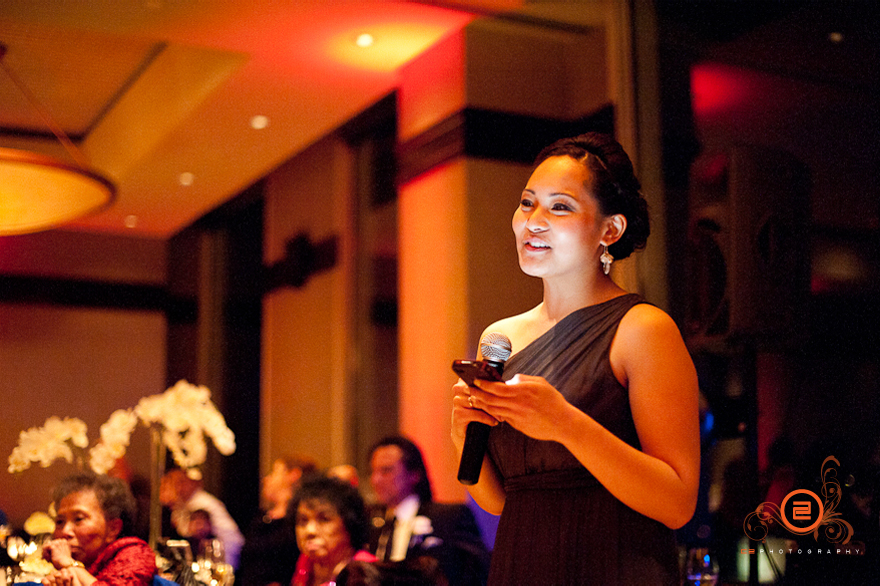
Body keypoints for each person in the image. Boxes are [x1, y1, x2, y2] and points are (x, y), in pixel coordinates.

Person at [450, 132, 701, 585]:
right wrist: (462, 435)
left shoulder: (643, 329)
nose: (533, 222)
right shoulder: (500, 337)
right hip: (521, 564)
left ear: (611, 230)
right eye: (527, 203)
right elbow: (504, 500)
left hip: (614, 565)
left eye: (560, 207)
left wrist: (566, 424)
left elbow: (678, 503)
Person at [367, 436, 489, 586]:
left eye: (386, 470)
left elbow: (478, 573)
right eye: (373, 471)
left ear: (414, 474)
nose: (375, 479)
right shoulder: (371, 523)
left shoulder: (449, 518)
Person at [41, 472, 156, 586]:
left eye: (79, 519)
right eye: (60, 522)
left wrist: (69, 564)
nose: (65, 531)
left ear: (113, 529)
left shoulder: (135, 554)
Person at [239, 454, 318, 586]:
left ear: (293, 475)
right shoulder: (261, 518)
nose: (266, 479)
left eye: (274, 472)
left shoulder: (298, 522)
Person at [290, 476, 376, 586]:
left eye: (324, 519)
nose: (310, 531)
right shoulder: (304, 564)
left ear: (350, 524)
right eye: (303, 521)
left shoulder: (367, 574)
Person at [160, 468, 245, 570]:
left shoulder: (200, 502)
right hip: (212, 549)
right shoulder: (188, 502)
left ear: (194, 484)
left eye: (182, 483)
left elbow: (186, 532)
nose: (179, 488)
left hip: (224, 549)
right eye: (176, 483)